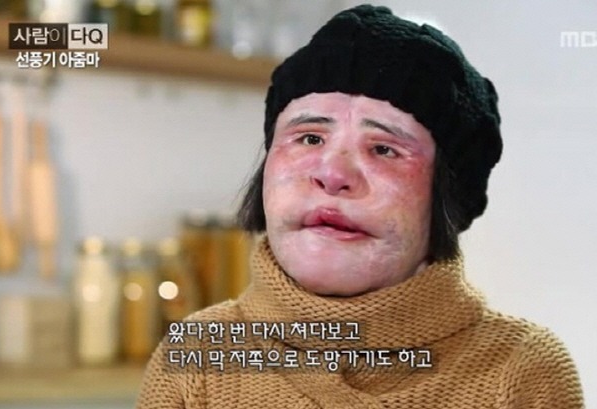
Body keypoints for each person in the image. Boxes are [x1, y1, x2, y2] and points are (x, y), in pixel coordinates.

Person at [137, 4, 584, 408]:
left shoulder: (524, 372)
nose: (332, 173)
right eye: (309, 137)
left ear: (447, 197)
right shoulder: (196, 358)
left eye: (384, 149)